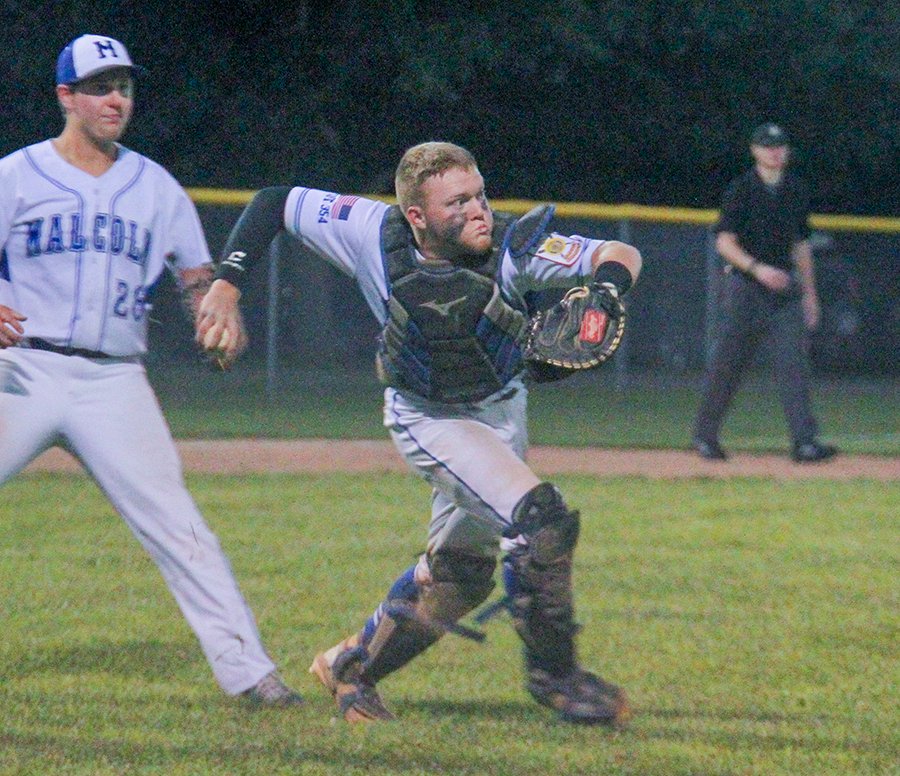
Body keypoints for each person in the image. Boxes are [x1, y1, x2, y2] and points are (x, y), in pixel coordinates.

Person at [196, 141, 642, 726]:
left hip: (501, 413)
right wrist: (226, 284)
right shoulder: (369, 232)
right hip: (429, 417)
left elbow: (619, 251)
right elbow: (275, 202)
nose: (478, 210)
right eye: (457, 202)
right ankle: (558, 680)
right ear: (416, 216)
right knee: (541, 520)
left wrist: (606, 290)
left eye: (480, 194)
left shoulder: (514, 244)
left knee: (461, 575)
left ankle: (352, 668)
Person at [0, 34, 302, 707]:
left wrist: (217, 319)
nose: (116, 99)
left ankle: (250, 674)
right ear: (65, 96)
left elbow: (197, 280)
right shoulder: (15, 175)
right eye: (100, 87)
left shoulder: (156, 187)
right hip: (21, 371)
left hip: (113, 381)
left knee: (180, 528)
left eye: (124, 86)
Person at [691, 123, 838, 463]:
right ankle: (705, 437)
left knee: (794, 365)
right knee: (728, 364)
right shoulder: (741, 189)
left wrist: (810, 295)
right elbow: (724, 242)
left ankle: (804, 443)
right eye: (768, 146)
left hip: (784, 290)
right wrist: (757, 269)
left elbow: (801, 246)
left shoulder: (795, 190)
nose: (775, 152)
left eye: (780, 146)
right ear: (755, 151)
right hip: (746, 288)